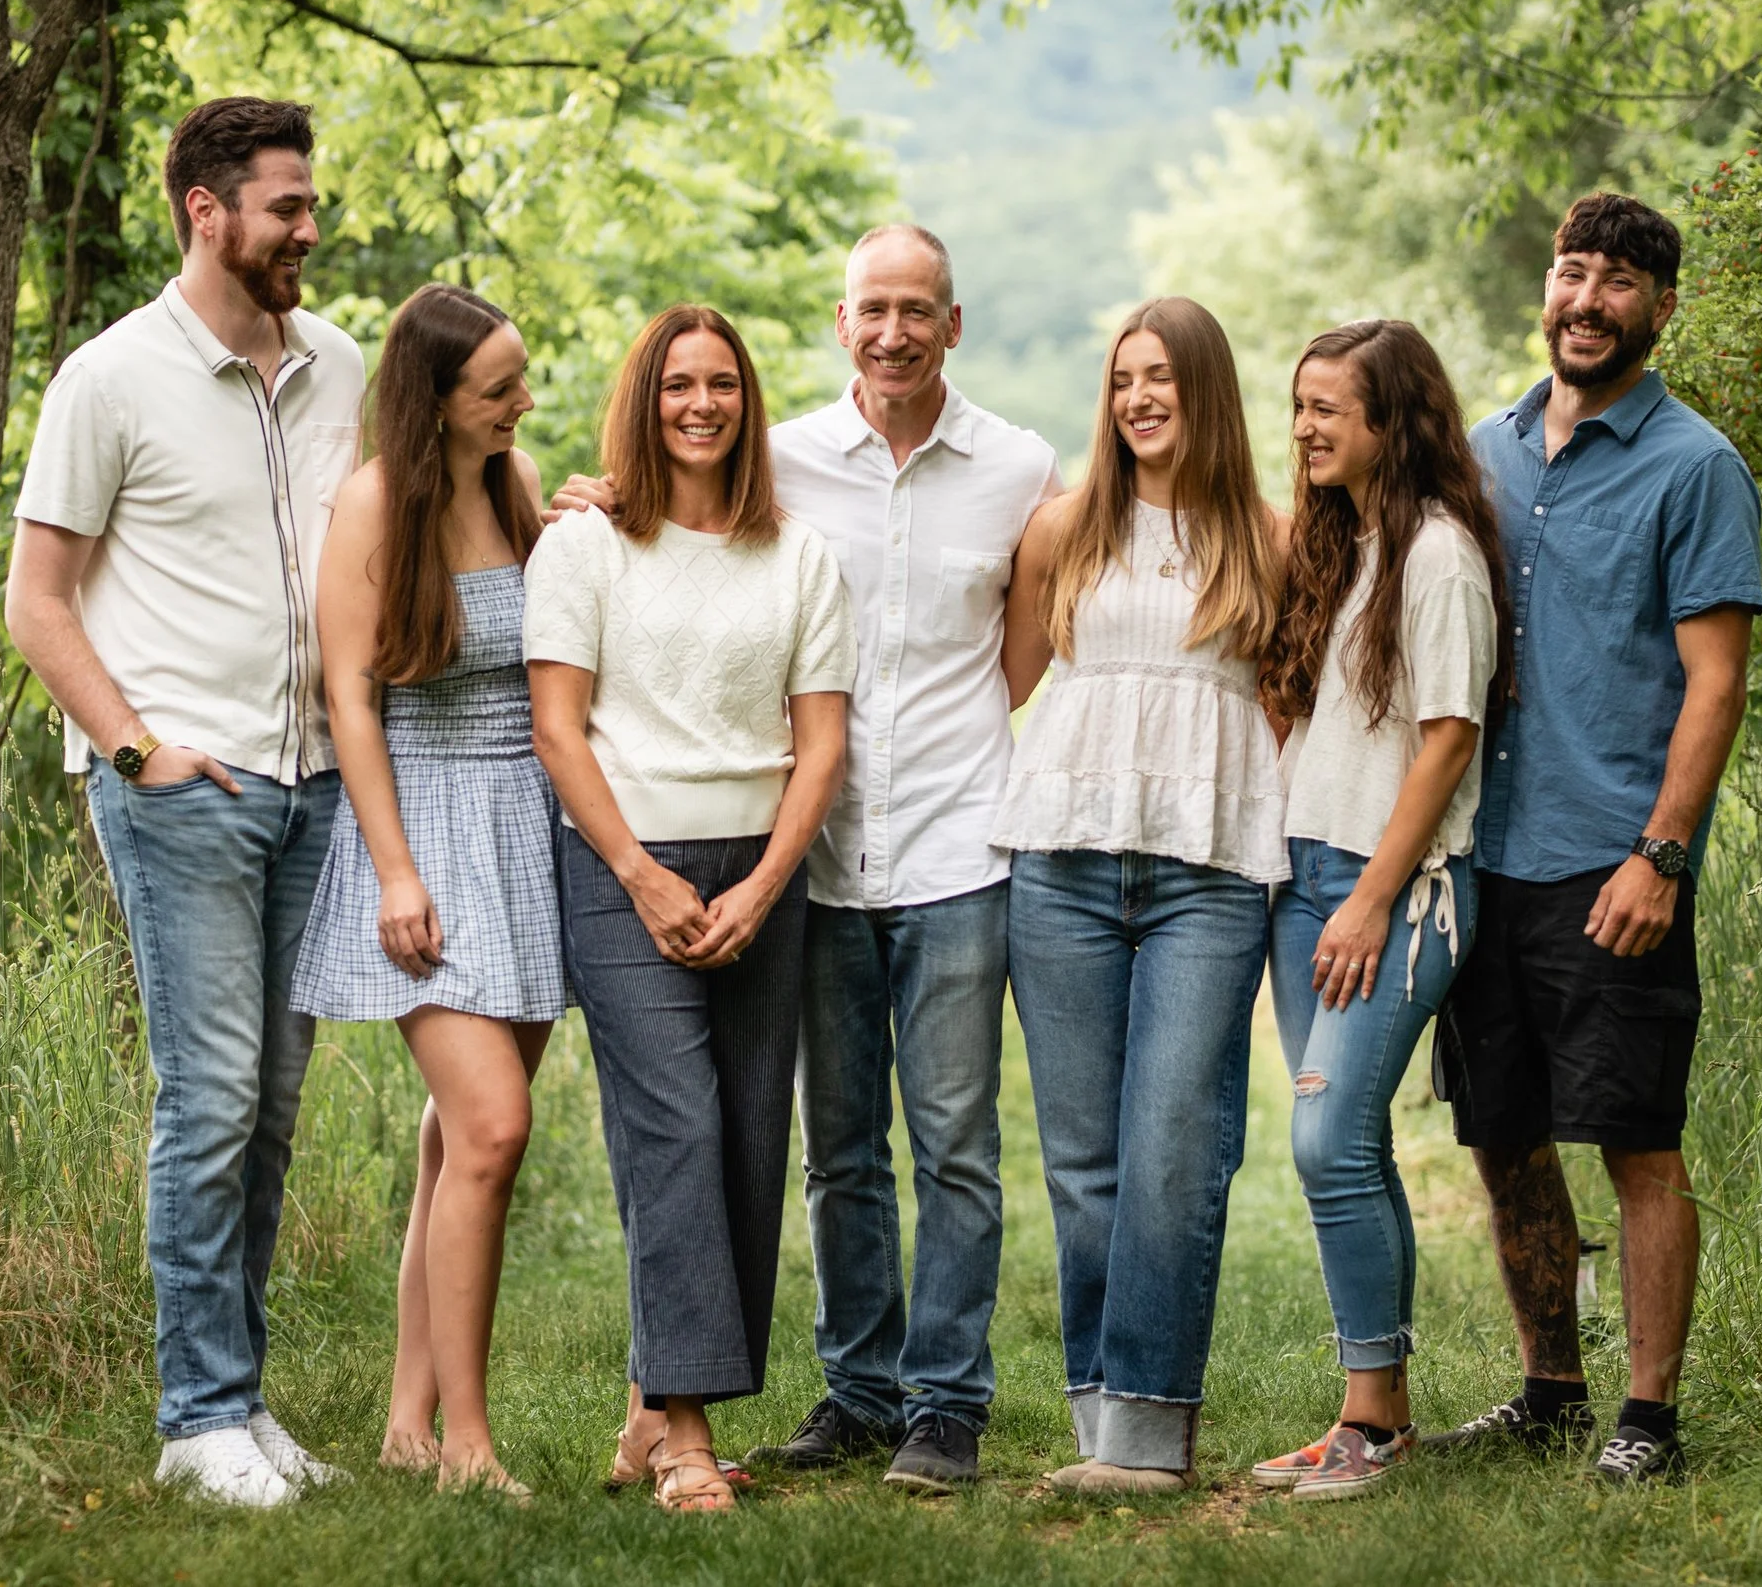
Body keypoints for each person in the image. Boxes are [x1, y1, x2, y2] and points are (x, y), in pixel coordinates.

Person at [551, 225, 1059, 1493]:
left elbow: (1023, 651)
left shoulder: (1019, 468)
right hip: (813, 861)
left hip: (954, 840)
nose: (892, 331)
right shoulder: (774, 461)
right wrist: (589, 498)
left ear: (953, 323)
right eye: (870, 308)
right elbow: (670, 510)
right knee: (837, 1147)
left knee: (953, 1140)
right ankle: (858, 1388)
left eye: (916, 309)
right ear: (842, 324)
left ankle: (946, 1401)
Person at [5, 97, 361, 1508]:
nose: (309, 228)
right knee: (208, 1095)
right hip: (185, 792)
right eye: (286, 207)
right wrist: (134, 745)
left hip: (316, 786)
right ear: (206, 211)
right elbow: (37, 600)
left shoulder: (337, 364)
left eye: (310, 202)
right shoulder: (109, 378)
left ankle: (242, 1401)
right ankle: (195, 1413)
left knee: (267, 1105)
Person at [1427, 193, 1761, 1482]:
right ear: (1547, 286)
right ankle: (1549, 1389)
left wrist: (1661, 854)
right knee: (1502, 1132)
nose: (1588, 299)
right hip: (1484, 855)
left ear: (1661, 308)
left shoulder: (1694, 466)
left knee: (1636, 1138)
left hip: (1609, 860)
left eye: (1620, 281)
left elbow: (1715, 682)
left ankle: (1649, 1419)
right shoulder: (1481, 451)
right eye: (1574, 272)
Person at [525, 305, 853, 1513]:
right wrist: (640, 872)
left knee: (751, 1134)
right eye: (676, 384)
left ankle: (648, 1408)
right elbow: (557, 726)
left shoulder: (800, 553)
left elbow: (822, 743)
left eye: (721, 384)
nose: (700, 404)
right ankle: (689, 1440)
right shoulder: (586, 545)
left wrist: (763, 883)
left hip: (763, 866)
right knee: (675, 1128)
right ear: (643, 400)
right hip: (622, 866)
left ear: (746, 402)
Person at [996, 296, 1290, 1495]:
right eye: (1122, 379)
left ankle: (1150, 1431)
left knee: (1173, 1146)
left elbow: (1294, 710)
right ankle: (1099, 1419)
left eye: (1159, 376)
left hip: (1207, 872)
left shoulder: (1270, 539)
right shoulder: (1062, 527)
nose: (1137, 398)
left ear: (1203, 388)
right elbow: (998, 685)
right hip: (1060, 860)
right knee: (1082, 1161)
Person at [288, 284, 559, 1502]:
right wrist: (396, 868)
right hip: (425, 829)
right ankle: (467, 1444)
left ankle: (406, 1422)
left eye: (520, 379)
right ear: (434, 397)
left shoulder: (515, 483)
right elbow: (351, 696)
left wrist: (590, 517)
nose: (522, 402)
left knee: (459, 1137)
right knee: (494, 1127)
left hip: (525, 830)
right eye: (498, 388)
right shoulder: (373, 502)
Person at [1248, 321, 1508, 1501]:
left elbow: (1448, 739)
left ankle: (1374, 1419)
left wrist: (1368, 897)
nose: (1303, 427)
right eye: (1298, 406)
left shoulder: (1439, 552)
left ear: (1390, 421)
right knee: (1340, 1145)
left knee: (1326, 1139)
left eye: (1327, 409)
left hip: (1394, 889)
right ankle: (1373, 1416)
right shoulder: (1341, 542)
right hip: (1305, 878)